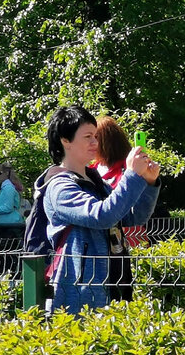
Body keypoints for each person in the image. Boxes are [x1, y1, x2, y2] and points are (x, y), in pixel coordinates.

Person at [40, 105, 161, 315]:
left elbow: (133, 218)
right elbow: (102, 216)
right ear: (65, 140)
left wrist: (149, 183)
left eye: (95, 136)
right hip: (80, 299)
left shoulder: (96, 182)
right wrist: (131, 175)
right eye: (88, 136)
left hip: (114, 288)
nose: (95, 143)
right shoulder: (59, 186)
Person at [95, 117, 149, 247]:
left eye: (95, 138)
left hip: (128, 237)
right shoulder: (91, 169)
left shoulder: (130, 168)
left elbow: (137, 213)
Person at [0, 163, 26, 240]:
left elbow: (8, 208)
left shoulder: (8, 188)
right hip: (9, 225)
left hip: (11, 226)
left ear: (6, 173)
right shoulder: (7, 188)